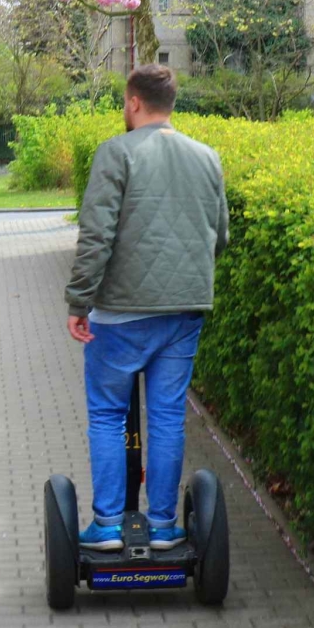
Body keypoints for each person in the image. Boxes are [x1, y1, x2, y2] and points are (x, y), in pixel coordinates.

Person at [65, 64, 230, 551]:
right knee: (166, 416)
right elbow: (219, 237)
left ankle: (110, 523)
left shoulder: (116, 153)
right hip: (183, 313)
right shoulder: (207, 157)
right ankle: (161, 525)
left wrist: (79, 300)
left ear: (134, 101)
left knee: (108, 415)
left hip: (119, 314)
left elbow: (96, 238)